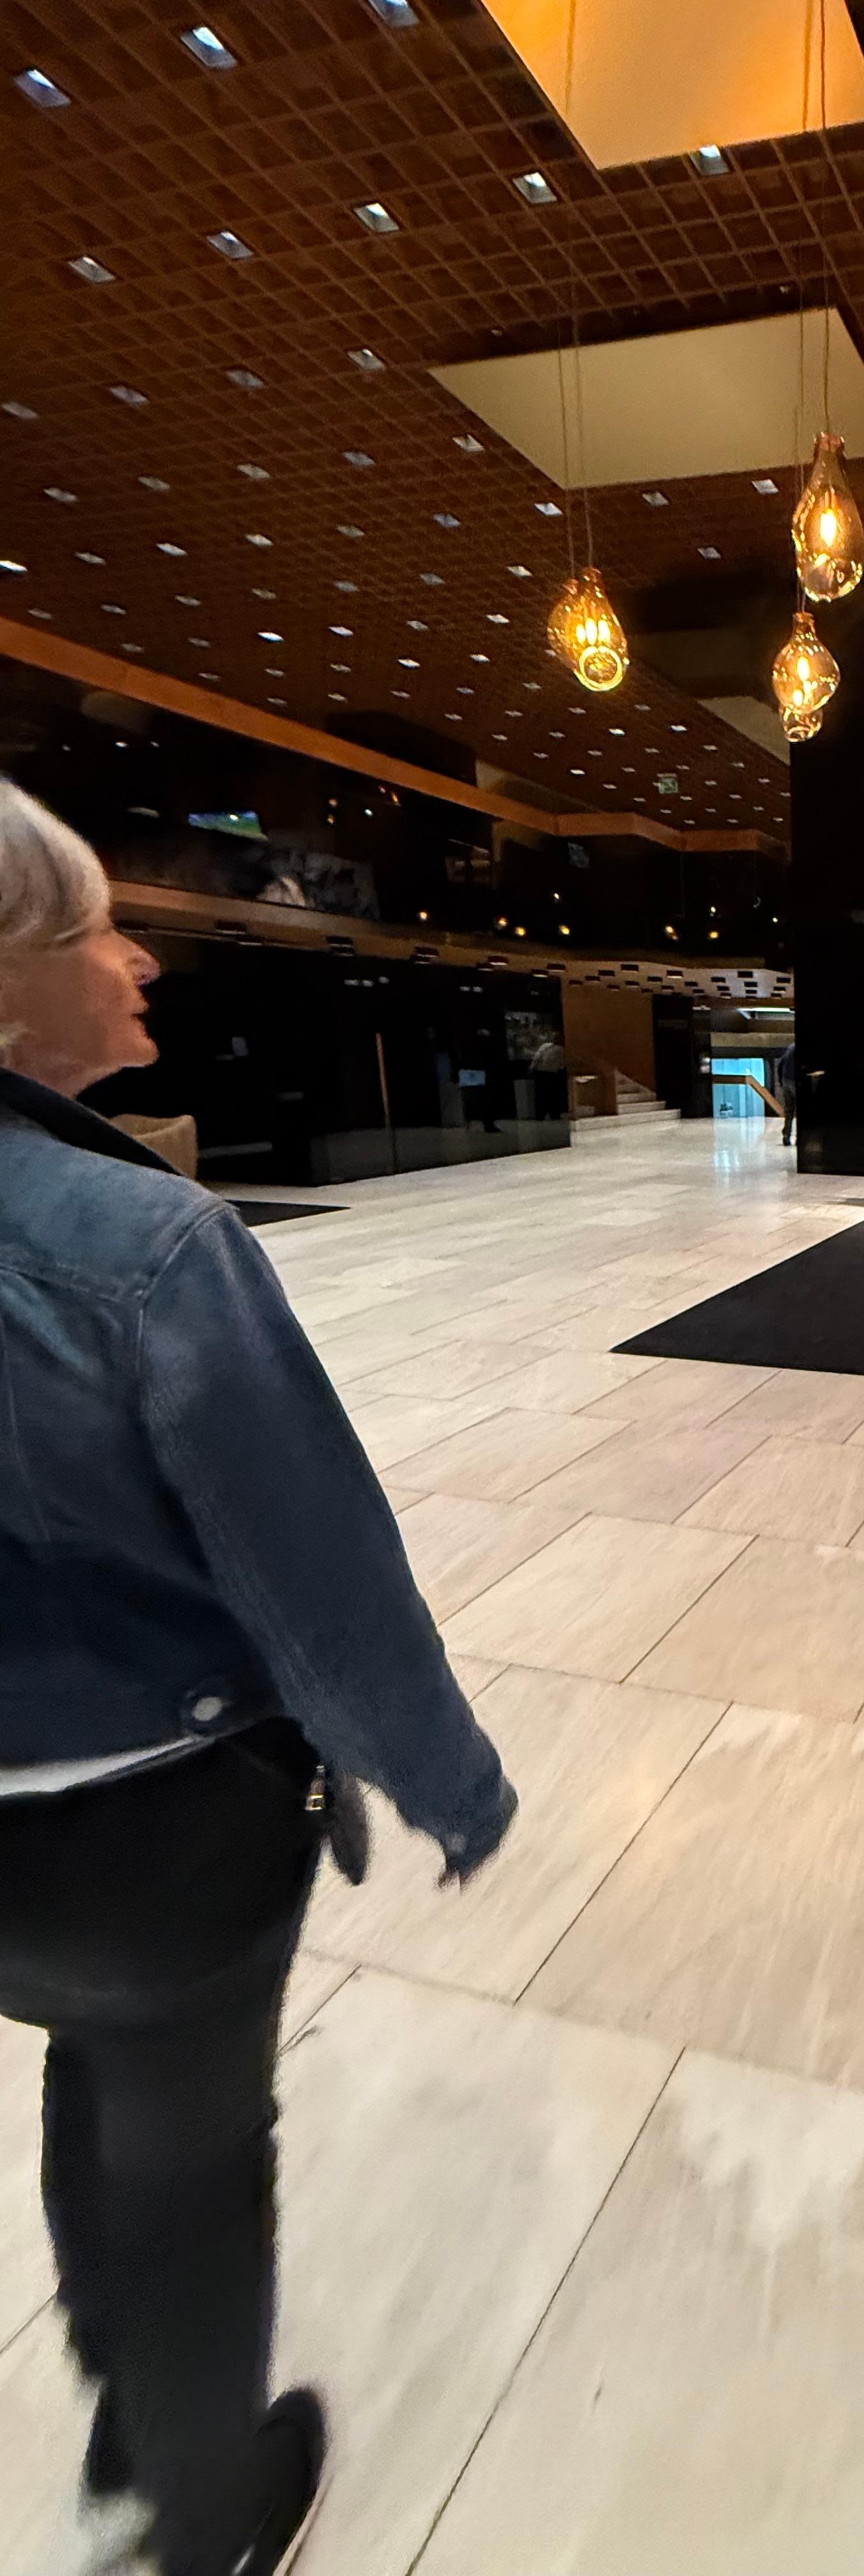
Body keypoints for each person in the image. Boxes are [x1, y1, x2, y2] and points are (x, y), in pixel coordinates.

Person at [0, 783, 517, 2576]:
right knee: (190, 2141)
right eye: (98, 929)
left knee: (94, 2065)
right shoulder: (139, 1251)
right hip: (159, 1837)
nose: (140, 957)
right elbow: (320, 1584)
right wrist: (449, 1782)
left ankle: (128, 2404)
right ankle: (202, 2503)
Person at [775, 1039, 797, 1146]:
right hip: (795, 1081)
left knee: (789, 1110)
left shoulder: (790, 1048)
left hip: (786, 1081)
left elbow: (780, 1065)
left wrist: (781, 1082)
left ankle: (786, 1135)